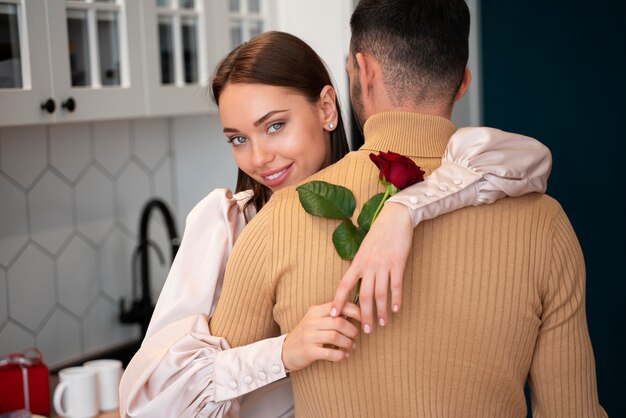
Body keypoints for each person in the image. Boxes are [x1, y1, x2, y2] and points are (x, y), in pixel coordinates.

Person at [120, 29, 552, 418]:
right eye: (238, 139)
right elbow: (157, 405)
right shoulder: (230, 225)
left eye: (274, 126)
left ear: (327, 108)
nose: (258, 157)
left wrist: (406, 210)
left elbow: (519, 159)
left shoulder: (384, 191)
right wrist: (284, 352)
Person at [209, 2, 607, 417]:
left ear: (364, 72)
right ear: (462, 83)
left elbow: (208, 395)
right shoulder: (546, 224)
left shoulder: (277, 221)